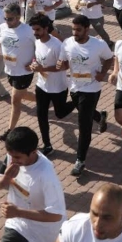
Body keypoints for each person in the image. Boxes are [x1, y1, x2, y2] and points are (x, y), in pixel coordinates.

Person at [0, 127, 66, 242]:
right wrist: (6, 177)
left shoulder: (46, 175)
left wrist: (18, 212)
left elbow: (55, 215)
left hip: (45, 236)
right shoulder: (13, 154)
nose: (13, 160)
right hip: (18, 227)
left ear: (33, 152)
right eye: (11, 156)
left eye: (17, 157)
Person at [57, 15, 113, 177]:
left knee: (84, 123)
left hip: (92, 88)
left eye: (78, 30)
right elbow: (64, 63)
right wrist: (61, 65)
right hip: (74, 87)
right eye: (73, 29)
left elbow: (110, 58)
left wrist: (103, 73)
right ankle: (100, 116)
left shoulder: (98, 44)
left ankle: (80, 160)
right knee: (84, 112)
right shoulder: (67, 43)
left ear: (87, 29)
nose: (75, 33)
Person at [28, 14, 75, 155]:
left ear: (46, 28)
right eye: (33, 30)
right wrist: (34, 63)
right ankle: (47, 145)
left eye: (37, 30)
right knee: (41, 115)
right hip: (42, 86)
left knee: (60, 114)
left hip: (58, 87)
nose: (35, 32)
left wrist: (43, 68)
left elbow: (65, 66)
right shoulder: (37, 41)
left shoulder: (57, 45)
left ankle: (77, 101)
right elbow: (36, 57)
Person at [0, 3, 37, 141]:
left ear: (18, 17)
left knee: (15, 101)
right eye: (5, 18)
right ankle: (44, 99)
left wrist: (34, 61)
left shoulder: (28, 30)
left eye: (10, 19)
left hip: (24, 72)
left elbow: (41, 46)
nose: (7, 21)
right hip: (10, 70)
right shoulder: (2, 28)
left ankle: (10, 131)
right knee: (22, 94)